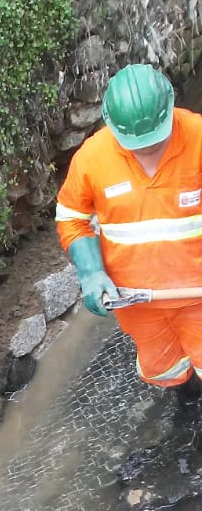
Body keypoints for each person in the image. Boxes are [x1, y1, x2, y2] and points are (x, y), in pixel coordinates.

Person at [56, 63, 202, 394]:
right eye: (136, 144)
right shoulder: (92, 158)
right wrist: (91, 273)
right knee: (164, 371)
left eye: (155, 140)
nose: (147, 149)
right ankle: (182, 403)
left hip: (197, 296)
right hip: (137, 302)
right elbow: (71, 217)